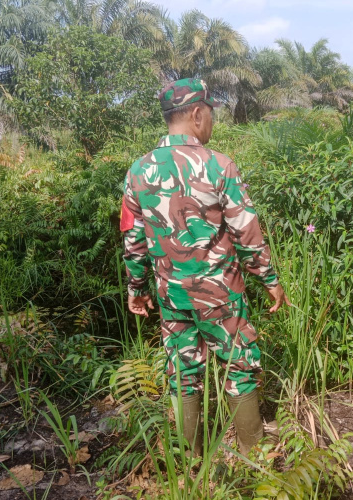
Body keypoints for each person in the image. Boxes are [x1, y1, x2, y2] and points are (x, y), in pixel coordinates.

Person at [121, 77, 290, 457]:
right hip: (220, 294)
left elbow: (132, 239)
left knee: (182, 374)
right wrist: (270, 280)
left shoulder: (138, 170)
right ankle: (253, 460)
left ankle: (192, 466)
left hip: (171, 295)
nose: (212, 121)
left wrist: (137, 289)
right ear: (197, 114)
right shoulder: (219, 165)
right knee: (239, 367)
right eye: (210, 113)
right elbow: (246, 230)